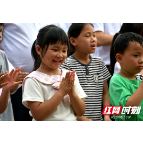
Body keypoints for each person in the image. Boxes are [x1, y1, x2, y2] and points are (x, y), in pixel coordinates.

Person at [22, 25, 87, 121]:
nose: (60, 55)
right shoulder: (33, 79)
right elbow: (38, 115)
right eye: (55, 50)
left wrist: (72, 92)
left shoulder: (69, 76)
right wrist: (61, 92)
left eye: (64, 50)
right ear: (39, 50)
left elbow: (80, 111)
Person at [60, 23, 111, 121]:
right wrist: (80, 117)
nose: (93, 39)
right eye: (88, 36)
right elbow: (65, 96)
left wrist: (107, 116)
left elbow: (105, 93)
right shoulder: (67, 65)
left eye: (94, 35)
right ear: (73, 41)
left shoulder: (99, 62)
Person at [0, 23, 48, 121]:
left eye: (0, 31)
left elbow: (1, 109)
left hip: (36, 80)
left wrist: (7, 88)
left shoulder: (2, 56)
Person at [109, 32, 143, 121]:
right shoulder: (116, 80)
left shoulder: (139, 79)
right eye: (136, 55)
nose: (141, 60)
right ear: (119, 58)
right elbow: (130, 109)